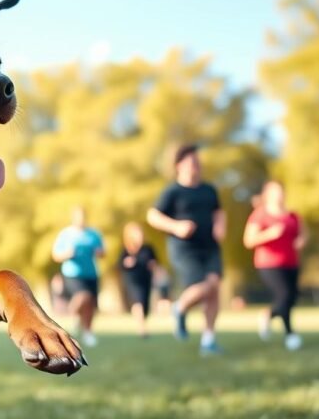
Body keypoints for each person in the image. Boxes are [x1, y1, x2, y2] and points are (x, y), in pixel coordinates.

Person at [147, 145, 225, 355]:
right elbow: (153, 216)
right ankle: (179, 308)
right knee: (202, 286)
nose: (196, 166)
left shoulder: (209, 190)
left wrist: (220, 226)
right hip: (184, 248)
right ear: (179, 166)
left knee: (214, 288)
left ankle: (208, 341)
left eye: (198, 162)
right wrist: (176, 227)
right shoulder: (173, 191)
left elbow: (219, 212)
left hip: (210, 246)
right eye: (191, 162)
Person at [243, 181, 308, 350]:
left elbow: (303, 234)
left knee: (291, 298)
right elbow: (249, 241)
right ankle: (290, 333)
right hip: (269, 263)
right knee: (284, 295)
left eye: (281, 191)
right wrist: (269, 234)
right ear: (268, 195)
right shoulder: (260, 215)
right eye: (276, 191)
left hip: (291, 261)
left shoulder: (292, 215)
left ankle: (270, 316)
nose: (280, 195)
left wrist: (301, 241)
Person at [52, 206, 105, 347]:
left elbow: (102, 252)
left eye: (82, 216)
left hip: (91, 273)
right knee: (83, 296)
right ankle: (73, 316)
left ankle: (88, 332)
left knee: (90, 305)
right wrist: (67, 254)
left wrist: (99, 252)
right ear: (73, 217)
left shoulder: (93, 234)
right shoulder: (66, 234)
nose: (80, 219)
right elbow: (56, 255)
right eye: (77, 216)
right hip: (72, 273)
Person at [117, 222, 159, 338]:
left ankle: (142, 322)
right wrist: (126, 263)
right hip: (132, 279)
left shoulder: (148, 248)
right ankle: (142, 329)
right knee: (138, 301)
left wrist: (153, 265)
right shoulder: (126, 249)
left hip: (145, 279)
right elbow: (119, 265)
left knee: (145, 304)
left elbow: (155, 262)